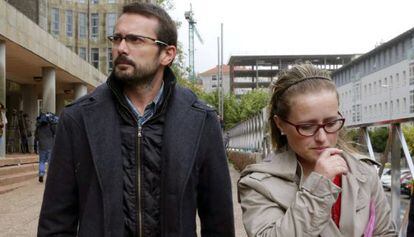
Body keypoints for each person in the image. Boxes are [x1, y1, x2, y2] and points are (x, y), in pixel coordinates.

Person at [38, 2, 234, 237]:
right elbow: (56, 222)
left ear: (167, 54)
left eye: (135, 40)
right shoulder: (78, 119)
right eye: (117, 38)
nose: (121, 48)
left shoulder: (201, 120)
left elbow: (218, 222)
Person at [238, 63, 397, 236]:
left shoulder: (363, 172)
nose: (322, 137)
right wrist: (319, 187)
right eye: (307, 126)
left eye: (330, 123)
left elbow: (385, 232)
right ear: (280, 124)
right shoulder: (258, 184)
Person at [34, 112, 56, 183]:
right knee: (50, 162)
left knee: (42, 161)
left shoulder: (38, 126)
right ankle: (50, 177)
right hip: (50, 145)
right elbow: (55, 133)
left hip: (41, 145)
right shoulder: (50, 125)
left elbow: (36, 136)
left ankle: (41, 173)